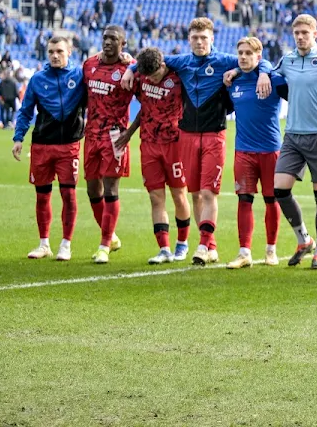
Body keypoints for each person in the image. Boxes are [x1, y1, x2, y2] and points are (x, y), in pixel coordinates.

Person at [123, 17, 272, 267]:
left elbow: (258, 60)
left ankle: (202, 245)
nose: (199, 42)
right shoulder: (181, 61)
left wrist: (260, 72)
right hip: (187, 137)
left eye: (204, 37)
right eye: (195, 37)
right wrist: (130, 69)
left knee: (208, 192)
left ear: (212, 38)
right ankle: (211, 247)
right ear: (188, 39)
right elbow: (151, 61)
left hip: (215, 135)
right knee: (194, 195)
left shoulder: (225, 60)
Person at [262, 15, 317, 270]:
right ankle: (304, 240)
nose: (300, 37)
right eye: (296, 32)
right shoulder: (287, 60)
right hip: (292, 135)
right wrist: (263, 75)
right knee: (279, 189)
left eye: (305, 32)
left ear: (315, 34)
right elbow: (270, 69)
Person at [15, 35, 87, 262]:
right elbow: (26, 111)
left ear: (69, 52)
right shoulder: (37, 79)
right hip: (42, 145)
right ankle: (44, 243)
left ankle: (66, 244)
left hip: (69, 145)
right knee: (42, 196)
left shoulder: (80, 76)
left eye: (59, 51)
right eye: (51, 52)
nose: (55, 56)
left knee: (68, 194)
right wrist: (18, 138)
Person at [116, 48, 191, 264]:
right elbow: (146, 109)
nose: (152, 80)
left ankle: (182, 244)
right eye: (148, 77)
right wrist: (129, 133)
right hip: (149, 144)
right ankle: (164, 248)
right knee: (155, 197)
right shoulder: (141, 76)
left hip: (175, 144)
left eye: (155, 75)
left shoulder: (178, 77)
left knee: (178, 194)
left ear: (163, 65)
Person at [225, 37, 288, 269]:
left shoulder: (272, 78)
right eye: (240, 52)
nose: (243, 57)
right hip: (243, 151)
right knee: (244, 200)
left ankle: (271, 250)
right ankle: (244, 253)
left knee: (271, 200)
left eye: (248, 53)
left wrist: (265, 70)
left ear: (258, 56)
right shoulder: (234, 80)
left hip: (270, 150)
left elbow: (289, 87)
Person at [82, 25, 132, 263]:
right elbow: (82, 96)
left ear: (123, 44)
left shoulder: (128, 69)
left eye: (114, 38)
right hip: (91, 135)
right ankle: (111, 237)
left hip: (115, 137)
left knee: (111, 189)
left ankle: (104, 245)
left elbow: (147, 100)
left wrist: (130, 132)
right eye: (105, 37)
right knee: (93, 189)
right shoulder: (89, 65)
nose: (108, 41)